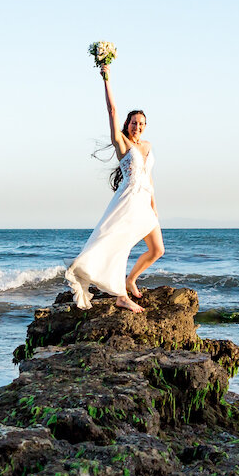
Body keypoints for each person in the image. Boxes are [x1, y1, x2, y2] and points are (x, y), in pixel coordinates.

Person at [65, 63, 164, 313]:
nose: (137, 126)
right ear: (127, 124)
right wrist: (106, 78)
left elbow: (149, 178)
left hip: (145, 203)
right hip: (129, 202)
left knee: (157, 249)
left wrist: (154, 206)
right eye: (133, 123)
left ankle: (130, 280)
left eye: (141, 123)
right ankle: (120, 295)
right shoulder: (122, 145)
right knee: (119, 245)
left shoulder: (148, 146)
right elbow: (112, 110)